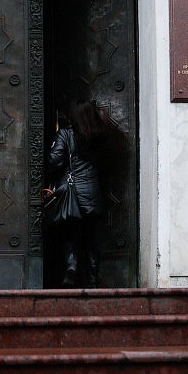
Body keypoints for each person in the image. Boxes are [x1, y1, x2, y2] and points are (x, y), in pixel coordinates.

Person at [46, 99, 109, 288]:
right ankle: (92, 281)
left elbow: (54, 160)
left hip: (71, 193)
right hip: (92, 191)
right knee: (91, 239)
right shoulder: (99, 135)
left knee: (69, 234)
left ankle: (71, 268)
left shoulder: (66, 134)